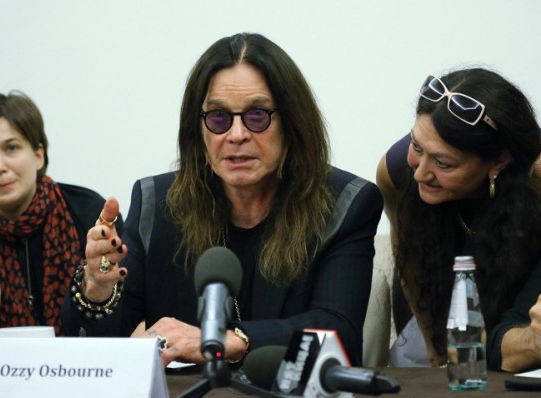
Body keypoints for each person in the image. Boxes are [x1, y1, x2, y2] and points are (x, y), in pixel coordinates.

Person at [61, 32, 383, 367]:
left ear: (292, 124)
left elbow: (337, 332)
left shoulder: (344, 205)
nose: (237, 134)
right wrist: (96, 288)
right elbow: (106, 348)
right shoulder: (156, 206)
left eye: (257, 115)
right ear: (197, 131)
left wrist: (227, 341)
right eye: (218, 117)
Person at [376, 67, 541, 372]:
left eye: (442, 162)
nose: (420, 172)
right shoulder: (397, 170)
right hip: (439, 290)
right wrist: (435, 346)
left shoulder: (539, 182)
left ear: (499, 161)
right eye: (417, 146)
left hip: (521, 298)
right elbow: (410, 257)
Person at [0, 91, 122, 335]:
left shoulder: (89, 214)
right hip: (0, 369)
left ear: (38, 155)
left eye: (11, 148)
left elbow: (127, 314)